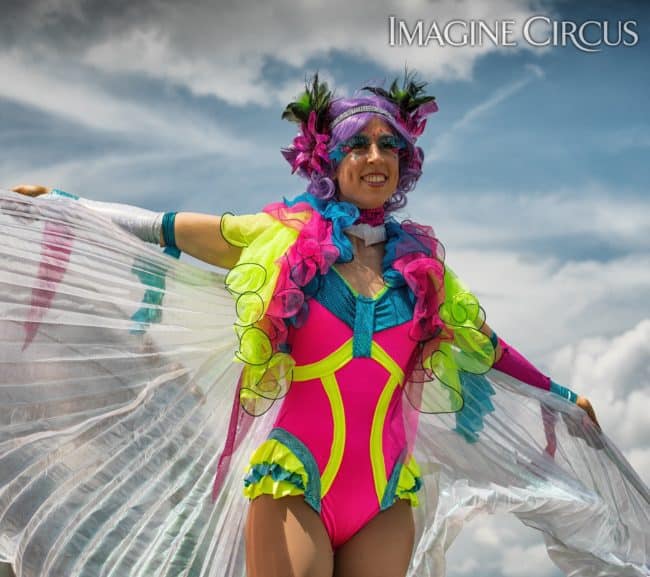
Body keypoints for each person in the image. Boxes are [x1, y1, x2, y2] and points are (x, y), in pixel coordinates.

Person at [2, 73, 646, 577]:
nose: (375, 156)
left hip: (386, 495)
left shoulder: (424, 273)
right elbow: (169, 227)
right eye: (358, 144)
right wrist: (68, 206)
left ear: (404, 160)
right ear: (327, 159)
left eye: (388, 144)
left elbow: (489, 349)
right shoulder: (278, 239)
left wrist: (561, 398)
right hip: (297, 483)